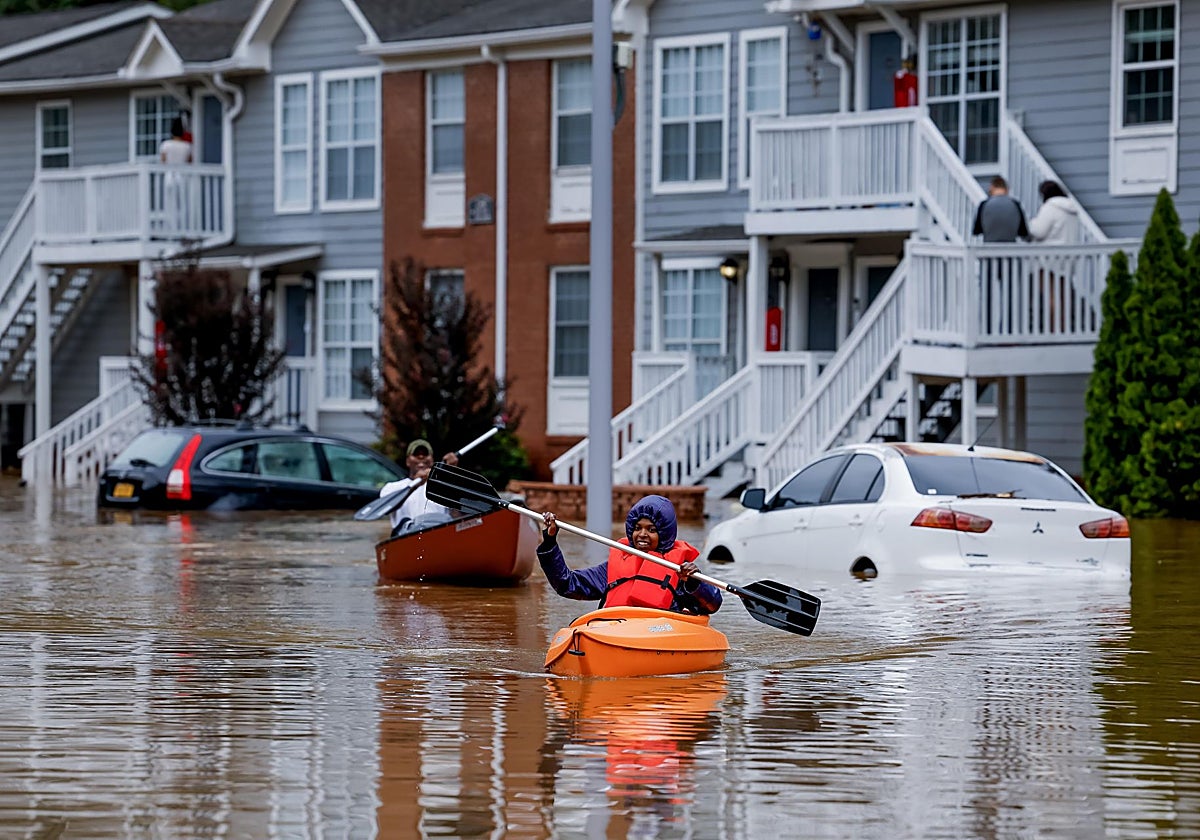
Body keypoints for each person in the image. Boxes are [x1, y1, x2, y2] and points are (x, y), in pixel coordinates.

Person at [537, 495, 722, 615]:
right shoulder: (613, 567)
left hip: (660, 635)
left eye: (651, 530)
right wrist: (550, 541)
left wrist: (693, 583)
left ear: (664, 534)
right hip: (615, 632)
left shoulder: (681, 570)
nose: (642, 534)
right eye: (637, 528)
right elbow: (567, 584)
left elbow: (711, 605)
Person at [378, 438, 459, 537]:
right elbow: (385, 510)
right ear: (408, 461)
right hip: (406, 538)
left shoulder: (444, 486)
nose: (421, 456)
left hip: (437, 537)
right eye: (416, 454)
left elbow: (457, 517)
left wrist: (452, 473)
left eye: (425, 454)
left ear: (432, 459)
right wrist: (415, 485)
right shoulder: (392, 488)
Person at [972, 176, 1029, 242]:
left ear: (992, 188)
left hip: (989, 248)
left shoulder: (984, 204)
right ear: (1007, 189)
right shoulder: (1016, 204)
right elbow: (1023, 232)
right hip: (1010, 248)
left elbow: (977, 231)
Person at [1027, 180, 1081, 244]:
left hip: (1052, 251)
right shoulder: (1071, 208)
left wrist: (1032, 223)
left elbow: (1039, 232)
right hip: (1070, 250)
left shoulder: (1050, 207)